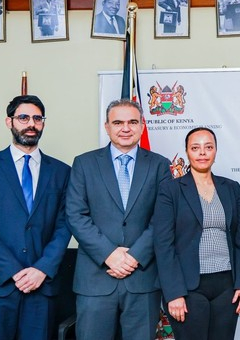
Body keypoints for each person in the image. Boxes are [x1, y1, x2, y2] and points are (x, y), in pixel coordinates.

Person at [66, 99, 171, 340]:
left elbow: (163, 218)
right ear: (107, 126)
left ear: (142, 126)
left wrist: (134, 256)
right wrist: (109, 254)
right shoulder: (84, 163)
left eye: (132, 122)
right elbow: (75, 215)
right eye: (118, 122)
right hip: (95, 279)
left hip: (142, 279)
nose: (125, 128)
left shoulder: (160, 165)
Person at [0, 95, 71, 340]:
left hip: (41, 287)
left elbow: (65, 225)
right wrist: (13, 271)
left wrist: (41, 269)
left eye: (37, 118)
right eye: (23, 117)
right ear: (9, 122)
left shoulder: (62, 171)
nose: (31, 124)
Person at [153, 127, 240, 339]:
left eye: (208, 147)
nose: (202, 153)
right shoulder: (171, 190)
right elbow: (163, 244)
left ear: (216, 151)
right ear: (187, 152)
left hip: (227, 286)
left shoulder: (231, 188)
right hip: (188, 288)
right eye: (195, 148)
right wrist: (173, 293)